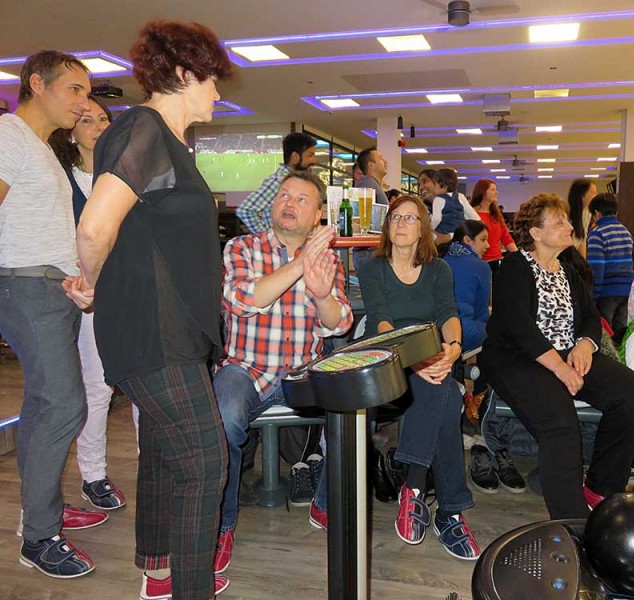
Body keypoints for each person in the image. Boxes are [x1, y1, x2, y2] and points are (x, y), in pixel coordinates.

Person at [73, 21, 234, 599]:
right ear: (186, 74)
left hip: (173, 329)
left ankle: (159, 572)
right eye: (212, 80)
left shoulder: (165, 140)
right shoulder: (142, 128)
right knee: (205, 462)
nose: (218, 92)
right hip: (152, 329)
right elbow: (94, 227)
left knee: (167, 451)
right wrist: (92, 284)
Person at [0, 49, 113, 580]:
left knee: (44, 408)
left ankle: (37, 511)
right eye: (74, 90)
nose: (83, 102)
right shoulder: (9, 135)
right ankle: (39, 537)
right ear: (36, 84)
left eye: (87, 92)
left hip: (51, 290)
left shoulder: (42, 147)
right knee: (64, 405)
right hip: (26, 287)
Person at [478, 193, 634, 519]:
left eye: (567, 220)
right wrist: (559, 367)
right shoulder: (514, 267)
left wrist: (584, 344)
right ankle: (573, 523)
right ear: (536, 233)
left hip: (567, 353)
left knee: (631, 394)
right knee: (560, 424)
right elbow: (519, 327)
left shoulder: (569, 271)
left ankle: (600, 489)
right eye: (559, 222)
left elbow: (589, 316)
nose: (570, 226)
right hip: (518, 359)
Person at [214, 171, 352, 571]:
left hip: (304, 373)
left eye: (302, 199)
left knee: (355, 410)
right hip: (246, 369)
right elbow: (243, 299)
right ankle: (222, 525)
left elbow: (339, 323)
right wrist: (300, 265)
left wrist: (323, 296)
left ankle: (325, 503)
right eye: (284, 196)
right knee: (223, 418)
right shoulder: (242, 247)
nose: (289, 203)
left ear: (318, 215)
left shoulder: (327, 260)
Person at [358, 196, 480, 560]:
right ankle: (449, 511)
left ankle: (415, 493)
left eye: (410, 218)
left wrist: (453, 347)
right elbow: (380, 321)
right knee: (445, 393)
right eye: (395, 217)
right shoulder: (373, 268)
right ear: (386, 226)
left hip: (430, 356)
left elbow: (448, 313)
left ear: (423, 228)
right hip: (386, 357)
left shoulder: (438, 269)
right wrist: (413, 361)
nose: (401, 223)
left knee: (444, 391)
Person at [49, 96, 129, 510]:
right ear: (70, 132)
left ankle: (153, 465)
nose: (98, 126)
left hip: (130, 289)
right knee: (98, 387)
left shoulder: (126, 175)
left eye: (103, 119)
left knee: (143, 385)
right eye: (87, 120)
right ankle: (93, 475)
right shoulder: (60, 178)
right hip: (87, 292)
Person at [236, 132, 317, 233]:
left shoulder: (296, 181)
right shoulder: (278, 181)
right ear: (295, 157)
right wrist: (267, 236)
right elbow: (245, 210)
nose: (314, 161)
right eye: (310, 155)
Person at [586, 193, 634, 342]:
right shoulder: (626, 232)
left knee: (604, 334)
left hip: (607, 293)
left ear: (596, 213)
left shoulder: (597, 234)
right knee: (621, 334)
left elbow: (596, 270)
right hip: (627, 291)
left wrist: (593, 298)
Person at [441, 220, 490, 353]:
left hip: (442, 334)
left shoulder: (441, 259)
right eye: (483, 240)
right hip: (468, 334)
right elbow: (482, 312)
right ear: (467, 240)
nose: (488, 245)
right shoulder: (481, 266)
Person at [469, 178, 518, 273]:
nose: (496, 192)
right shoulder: (472, 214)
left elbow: (506, 238)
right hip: (478, 263)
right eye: (492, 190)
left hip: (497, 261)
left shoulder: (496, 215)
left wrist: (518, 256)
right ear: (483, 192)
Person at [431, 168, 480, 244]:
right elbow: (475, 217)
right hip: (459, 235)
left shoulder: (438, 199)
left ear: (444, 187)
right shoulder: (461, 196)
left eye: (434, 184)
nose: (433, 188)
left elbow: (437, 219)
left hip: (443, 235)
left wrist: (430, 228)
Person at [567, 178, 597, 257]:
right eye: (593, 193)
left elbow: (582, 240)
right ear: (582, 194)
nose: (595, 196)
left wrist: (583, 262)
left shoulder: (587, 214)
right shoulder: (567, 214)